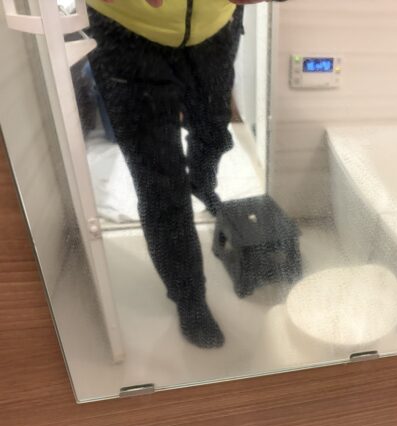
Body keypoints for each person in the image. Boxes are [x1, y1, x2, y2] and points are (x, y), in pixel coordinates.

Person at [86, 0, 275, 348]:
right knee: (160, 182)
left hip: (216, 26)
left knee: (215, 133)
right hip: (126, 33)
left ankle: (201, 183)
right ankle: (189, 297)